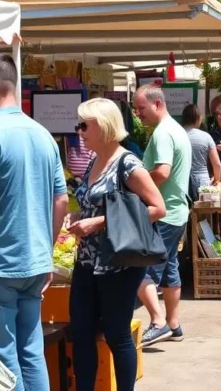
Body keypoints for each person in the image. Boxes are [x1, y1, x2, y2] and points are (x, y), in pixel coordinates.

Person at [0, 53, 68, 391]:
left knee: (3, 357)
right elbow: (61, 200)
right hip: (35, 264)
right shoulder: (43, 135)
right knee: (32, 352)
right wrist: (46, 253)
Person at [67, 98, 166, 391]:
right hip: (86, 261)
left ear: (104, 125)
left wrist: (99, 222)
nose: (80, 131)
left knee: (116, 333)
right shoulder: (94, 161)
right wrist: (78, 214)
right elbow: (94, 203)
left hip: (118, 263)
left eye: (85, 125)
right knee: (81, 332)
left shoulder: (127, 163)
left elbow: (157, 208)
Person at [132, 84, 193, 346]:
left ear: (157, 104)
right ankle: (173, 323)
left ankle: (157, 322)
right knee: (169, 269)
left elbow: (163, 172)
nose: (138, 114)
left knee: (140, 269)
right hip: (176, 211)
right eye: (135, 109)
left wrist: (137, 186)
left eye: (141, 108)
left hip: (162, 213)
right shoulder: (176, 130)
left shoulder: (162, 134)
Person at [182, 104, 221, 187]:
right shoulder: (206, 137)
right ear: (198, 119)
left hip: (181, 180)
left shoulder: (176, 135)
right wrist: (217, 180)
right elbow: (217, 164)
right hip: (202, 181)